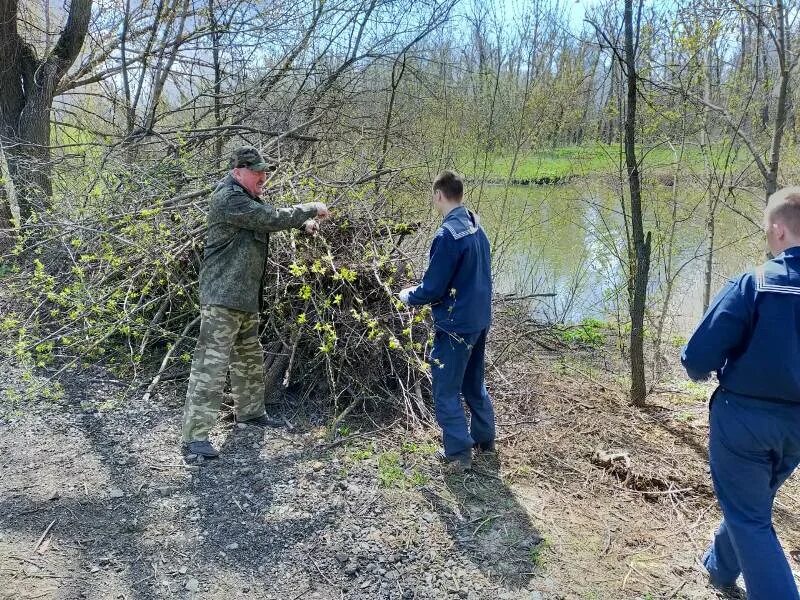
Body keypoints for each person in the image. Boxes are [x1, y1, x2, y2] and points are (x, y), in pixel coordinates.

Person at [682, 186, 800, 600]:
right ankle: (719, 568)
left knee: (751, 519)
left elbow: (696, 357)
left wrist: (708, 369)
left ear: (779, 229)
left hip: (745, 422)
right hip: (796, 431)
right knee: (751, 503)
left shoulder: (756, 283)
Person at [182, 146, 330, 458]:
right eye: (257, 171)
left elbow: (264, 217)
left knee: (248, 359)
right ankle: (195, 437)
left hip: (244, 299)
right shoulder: (229, 198)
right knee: (211, 365)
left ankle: (249, 413)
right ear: (238, 172)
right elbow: (267, 218)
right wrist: (309, 209)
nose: (263, 177)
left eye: (264, 171)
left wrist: (301, 224)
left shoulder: (246, 198)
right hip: (222, 298)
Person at [398, 170, 495, 472]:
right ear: (460, 194)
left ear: (439, 194)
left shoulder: (447, 235)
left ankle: (458, 453)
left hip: (455, 325)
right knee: (473, 383)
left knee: (445, 389)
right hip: (479, 319)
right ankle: (484, 441)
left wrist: (408, 296)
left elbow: (434, 287)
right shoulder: (476, 226)